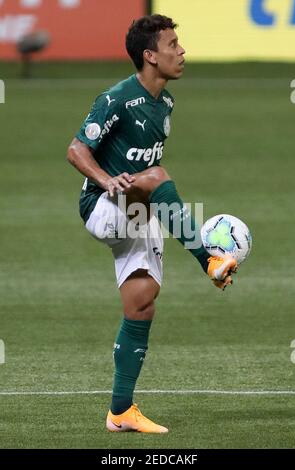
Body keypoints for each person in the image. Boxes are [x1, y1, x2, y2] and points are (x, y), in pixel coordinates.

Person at [67, 14, 237, 434]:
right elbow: (75, 150)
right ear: (150, 55)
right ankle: (208, 261)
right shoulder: (116, 98)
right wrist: (108, 181)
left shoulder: (166, 103)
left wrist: (146, 190)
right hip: (103, 205)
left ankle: (120, 412)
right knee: (159, 176)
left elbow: (146, 165)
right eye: (173, 44)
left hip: (138, 210)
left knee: (142, 302)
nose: (181, 52)